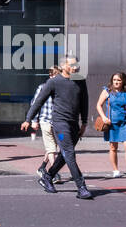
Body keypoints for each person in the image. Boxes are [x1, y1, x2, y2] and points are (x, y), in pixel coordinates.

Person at [22, 55, 93, 199]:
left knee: (66, 154)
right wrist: (28, 119)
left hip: (74, 124)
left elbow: (84, 102)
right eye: (72, 65)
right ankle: (81, 187)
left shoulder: (80, 81)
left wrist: (84, 122)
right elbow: (38, 102)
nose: (76, 67)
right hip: (60, 124)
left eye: (76, 64)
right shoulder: (53, 82)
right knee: (69, 153)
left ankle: (47, 176)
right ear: (63, 66)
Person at [96, 71, 126, 178]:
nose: (116, 82)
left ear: (123, 81)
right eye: (114, 80)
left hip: (124, 122)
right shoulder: (107, 91)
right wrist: (104, 117)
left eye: (118, 80)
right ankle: (115, 170)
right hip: (111, 123)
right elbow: (99, 105)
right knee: (113, 147)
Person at [28, 66, 60, 180]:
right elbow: (35, 104)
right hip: (45, 120)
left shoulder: (61, 89)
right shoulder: (42, 88)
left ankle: (42, 168)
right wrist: (33, 120)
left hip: (57, 122)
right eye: (55, 75)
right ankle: (54, 174)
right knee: (52, 149)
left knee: (52, 147)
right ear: (50, 76)